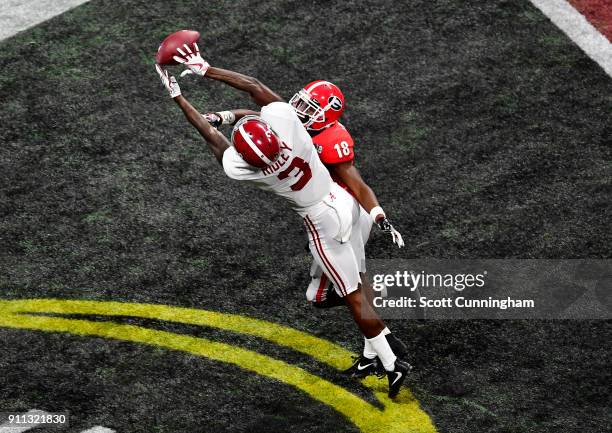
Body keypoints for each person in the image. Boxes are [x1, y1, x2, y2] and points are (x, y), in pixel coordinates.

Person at [167, 44, 409, 382]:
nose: (299, 107)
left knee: (349, 294)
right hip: (343, 207)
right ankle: (374, 350)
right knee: (342, 288)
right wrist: (208, 71)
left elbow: (215, 136)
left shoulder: (254, 169)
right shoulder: (292, 132)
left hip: (324, 223)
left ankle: (389, 356)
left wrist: (179, 99)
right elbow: (255, 93)